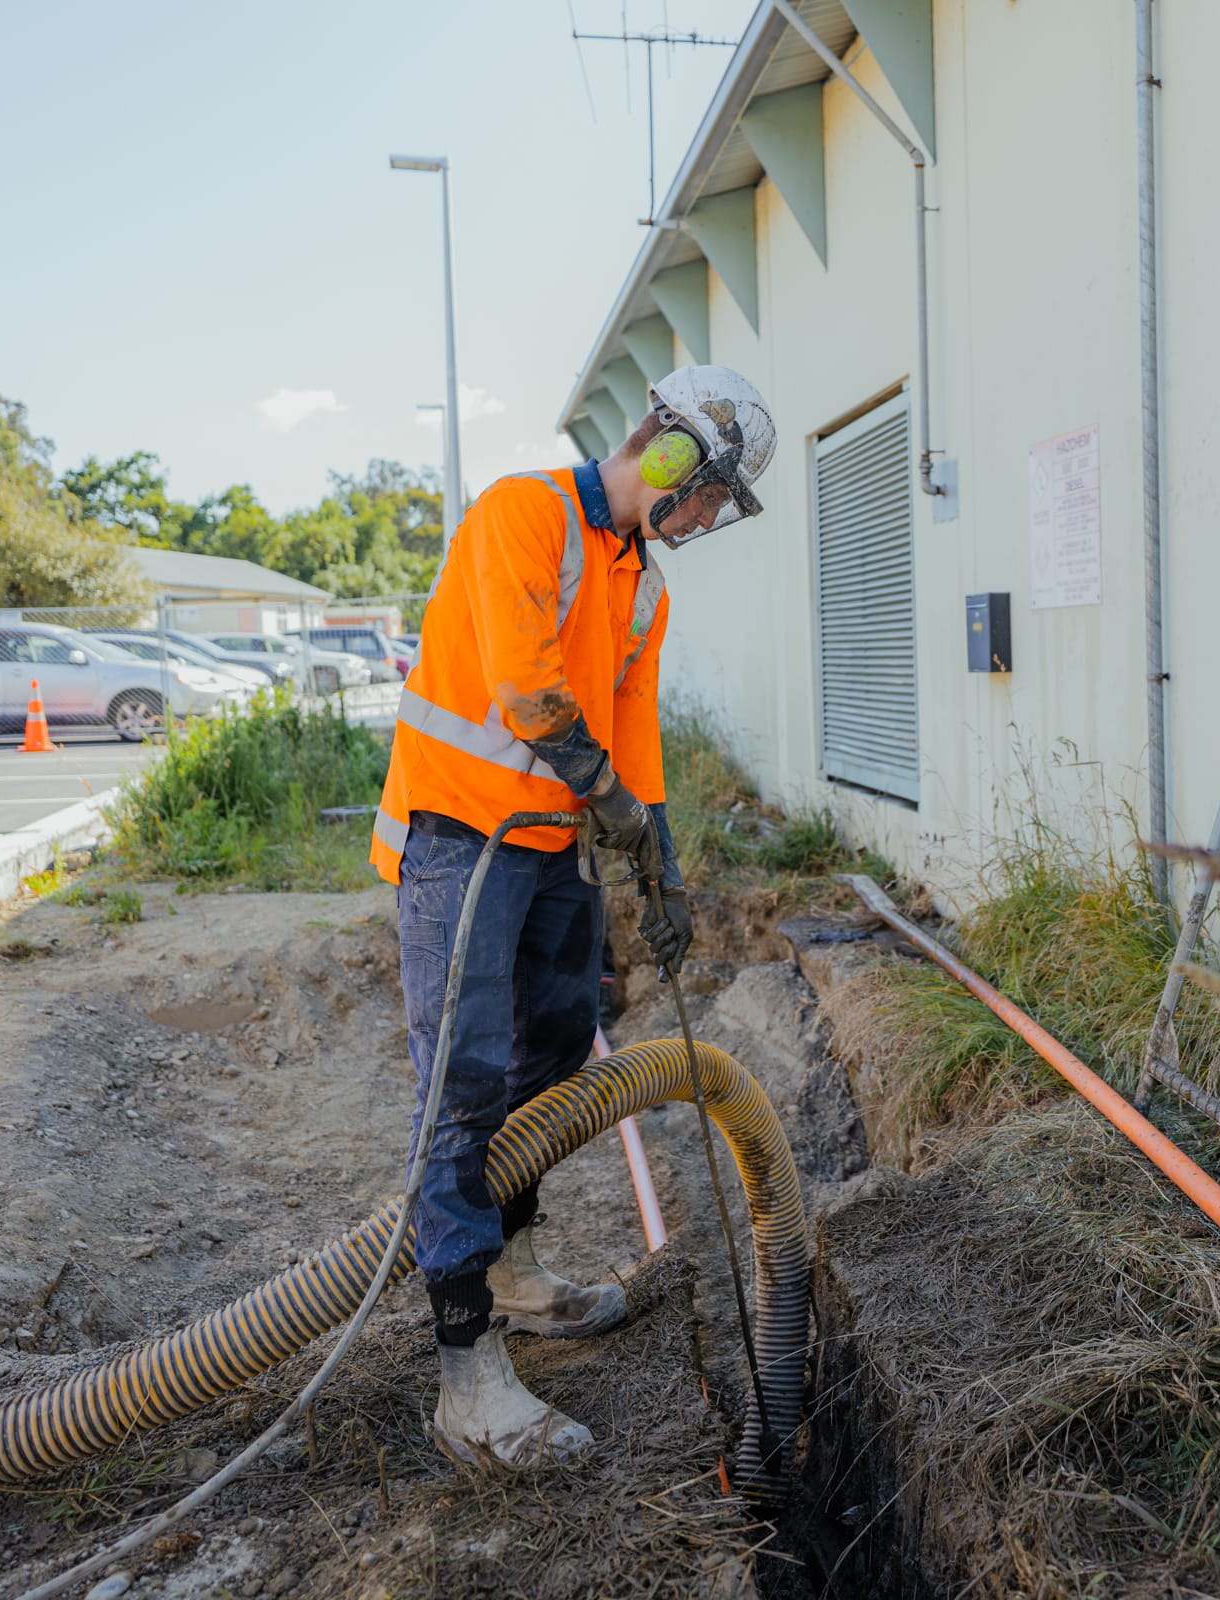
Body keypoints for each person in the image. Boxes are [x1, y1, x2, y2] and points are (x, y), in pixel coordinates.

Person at [368, 365, 777, 1466]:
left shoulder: (644, 588)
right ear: (670, 454)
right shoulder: (526, 513)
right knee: (460, 1089)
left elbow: (631, 735)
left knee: (548, 1062)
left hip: (554, 852)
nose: (705, 521)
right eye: (709, 496)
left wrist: (663, 862)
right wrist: (612, 805)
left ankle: (509, 1268)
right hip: (462, 839)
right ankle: (466, 1375)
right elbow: (528, 692)